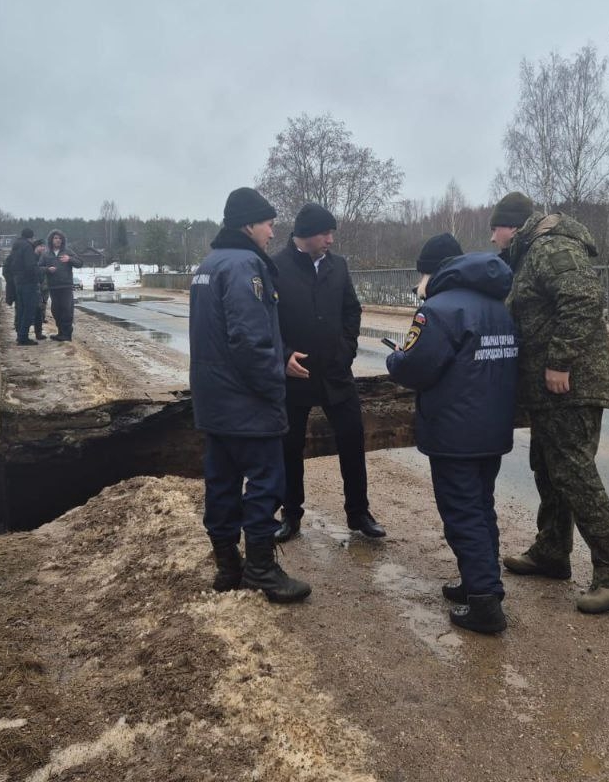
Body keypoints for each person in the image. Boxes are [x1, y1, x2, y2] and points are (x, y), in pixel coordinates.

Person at [490, 192, 609, 614]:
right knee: (549, 467)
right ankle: (552, 550)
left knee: (575, 474)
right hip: (551, 392)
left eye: (496, 228)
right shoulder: (529, 252)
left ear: (513, 225)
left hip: (570, 386)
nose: (492, 237)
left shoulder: (551, 246)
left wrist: (559, 362)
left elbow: (583, 299)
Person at [386, 234, 518, 634]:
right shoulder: (498, 307)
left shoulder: (438, 310)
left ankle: (484, 604)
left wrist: (396, 356)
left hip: (454, 431)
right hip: (492, 428)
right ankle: (483, 584)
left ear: (432, 271)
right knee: (481, 506)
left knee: (462, 512)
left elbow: (414, 367)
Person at [189, 186, 311, 604]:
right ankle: (260, 568)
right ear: (248, 224)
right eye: (268, 224)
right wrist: (274, 385)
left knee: (221, 482)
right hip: (247, 403)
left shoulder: (209, 264)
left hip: (213, 401)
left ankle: (228, 567)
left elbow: (220, 336)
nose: (272, 233)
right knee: (265, 482)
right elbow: (248, 338)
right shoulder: (246, 267)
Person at [272, 202, 385, 542]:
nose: (331, 239)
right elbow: (266, 322)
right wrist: (284, 356)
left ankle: (358, 513)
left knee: (352, 440)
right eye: (325, 233)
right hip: (296, 374)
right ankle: (290, 515)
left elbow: (352, 310)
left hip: (336, 373)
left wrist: (346, 350)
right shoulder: (275, 267)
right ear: (304, 235)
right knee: (289, 447)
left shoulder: (338, 266)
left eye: (332, 232)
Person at [39, 229, 80, 342]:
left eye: (60, 238)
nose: (58, 240)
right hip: (53, 286)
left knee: (66, 309)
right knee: (56, 310)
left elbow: (80, 263)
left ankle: (67, 334)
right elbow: (38, 268)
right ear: (51, 240)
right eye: (55, 238)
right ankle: (60, 332)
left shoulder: (67, 251)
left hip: (66, 285)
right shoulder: (46, 254)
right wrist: (47, 269)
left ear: (62, 240)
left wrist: (69, 259)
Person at [5, 227, 40, 346]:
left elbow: (9, 264)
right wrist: (38, 274)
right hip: (28, 283)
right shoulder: (27, 247)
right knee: (29, 310)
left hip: (17, 282)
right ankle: (23, 337)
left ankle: (20, 334)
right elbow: (30, 266)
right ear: (31, 237)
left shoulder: (16, 246)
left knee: (20, 310)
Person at [31, 239, 48, 341]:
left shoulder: (44, 257)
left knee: (41, 309)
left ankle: (39, 332)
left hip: (44, 286)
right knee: (33, 310)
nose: (43, 248)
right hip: (33, 286)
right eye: (41, 246)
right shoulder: (31, 258)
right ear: (36, 247)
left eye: (44, 246)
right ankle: (22, 333)